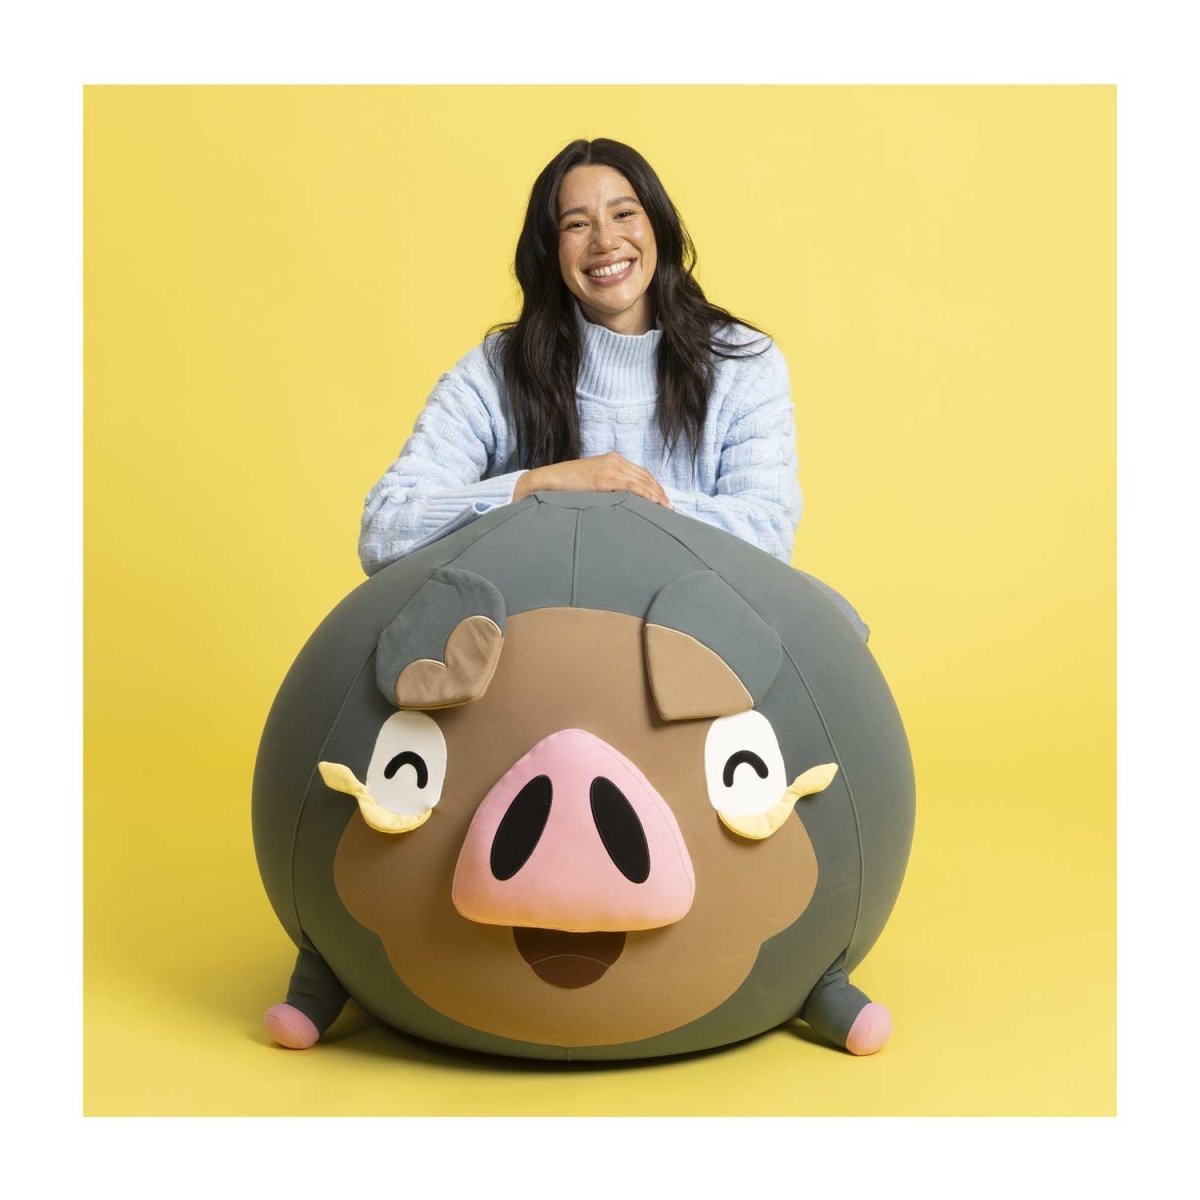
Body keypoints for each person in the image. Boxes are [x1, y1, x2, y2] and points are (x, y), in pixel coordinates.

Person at [358, 136, 806, 566]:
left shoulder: (741, 363)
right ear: (550, 250)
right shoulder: (497, 372)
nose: (605, 241)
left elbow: (767, 537)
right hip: (538, 632)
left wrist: (622, 504)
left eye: (624, 213)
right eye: (576, 224)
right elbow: (386, 529)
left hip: (696, 634)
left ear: (659, 228)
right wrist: (542, 486)